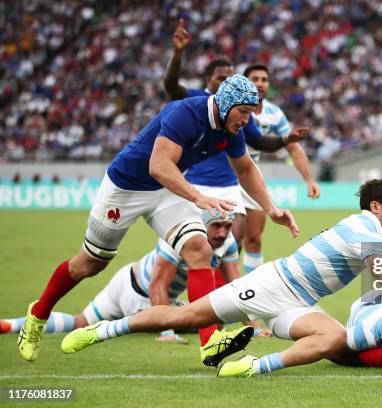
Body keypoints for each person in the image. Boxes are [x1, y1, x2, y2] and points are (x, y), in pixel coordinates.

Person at [18, 74, 298, 362]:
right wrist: (198, 197)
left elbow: (246, 170)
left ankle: (210, 339)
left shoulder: (233, 129)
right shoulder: (186, 113)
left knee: (199, 249)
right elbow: (159, 165)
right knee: (89, 264)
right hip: (126, 187)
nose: (247, 120)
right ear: (226, 104)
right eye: (244, 112)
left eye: (250, 114)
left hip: (167, 190)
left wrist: (271, 208)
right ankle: (37, 316)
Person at [61, 178, 382, 377]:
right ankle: (100, 331)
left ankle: (250, 367)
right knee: (184, 317)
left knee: (336, 340)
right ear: (376, 205)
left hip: (298, 302)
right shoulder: (364, 228)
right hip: (270, 286)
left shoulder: (371, 227)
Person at [163, 20, 318, 272]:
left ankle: (232, 303)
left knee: (232, 248)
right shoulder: (195, 101)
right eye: (221, 77)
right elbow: (171, 87)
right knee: (195, 254)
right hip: (198, 185)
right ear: (208, 79)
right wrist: (178, 53)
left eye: (230, 77)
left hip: (232, 186)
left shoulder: (241, 114)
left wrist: (286, 140)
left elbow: (257, 141)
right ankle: (189, 302)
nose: (226, 81)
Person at [3, 212, 274, 343]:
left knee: (80, 321)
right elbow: (158, 285)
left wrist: (253, 324)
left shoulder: (225, 245)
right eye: (217, 225)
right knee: (207, 319)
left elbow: (236, 285)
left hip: (128, 276)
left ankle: (9, 325)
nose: (224, 232)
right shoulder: (181, 238)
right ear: (202, 222)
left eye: (228, 226)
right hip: (142, 294)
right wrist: (166, 331)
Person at [241, 63, 320, 273]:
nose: (259, 83)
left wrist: (309, 180)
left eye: (264, 80)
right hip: (225, 175)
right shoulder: (235, 106)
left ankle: (251, 293)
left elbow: (293, 147)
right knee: (228, 241)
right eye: (254, 79)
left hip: (251, 177)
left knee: (254, 239)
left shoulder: (274, 114)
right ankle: (217, 296)